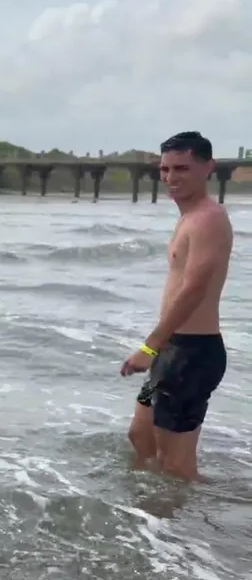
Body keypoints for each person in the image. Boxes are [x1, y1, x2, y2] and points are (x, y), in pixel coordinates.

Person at [121, 131, 232, 481]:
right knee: (140, 437)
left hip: (193, 353)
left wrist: (148, 347)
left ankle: (197, 515)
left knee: (176, 467)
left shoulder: (209, 218)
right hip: (173, 347)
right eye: (165, 169)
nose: (171, 177)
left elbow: (194, 290)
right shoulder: (189, 217)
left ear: (208, 167)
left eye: (182, 168)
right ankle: (143, 511)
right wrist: (160, 346)